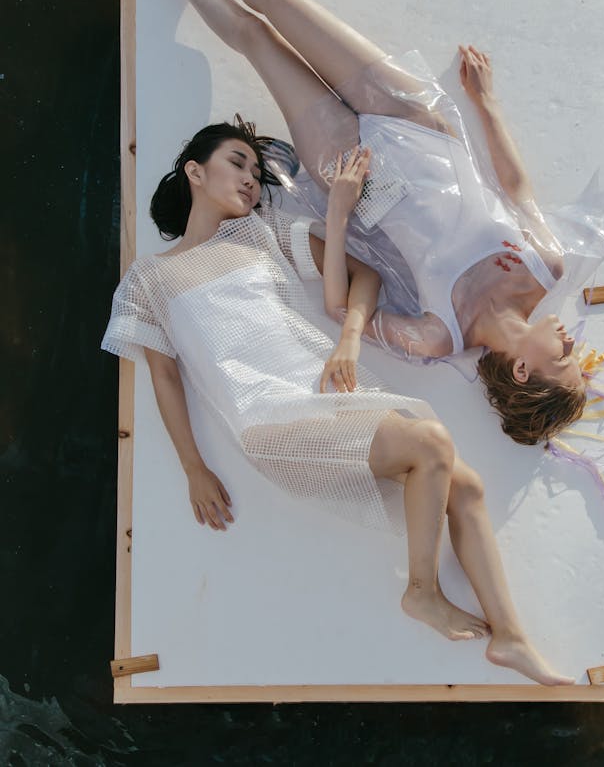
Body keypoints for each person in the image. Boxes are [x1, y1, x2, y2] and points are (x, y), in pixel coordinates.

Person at [99, 0, 589, 449]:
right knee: (280, 0)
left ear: (523, 371)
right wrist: (487, 104)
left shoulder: (438, 336)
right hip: (415, 121)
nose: (569, 341)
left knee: (257, 38)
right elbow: (516, 186)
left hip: (353, 170)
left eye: (565, 359)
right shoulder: (544, 268)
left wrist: (338, 208)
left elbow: (339, 305)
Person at [100, 114, 571, 686]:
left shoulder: (264, 235)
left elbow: (362, 273)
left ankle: (512, 639)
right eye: (236, 163)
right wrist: (193, 468)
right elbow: (165, 379)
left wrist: (348, 342)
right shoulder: (151, 278)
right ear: (194, 172)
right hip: (265, 420)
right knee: (431, 442)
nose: (251, 178)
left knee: (464, 485)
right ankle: (421, 592)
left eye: (255, 169)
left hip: (318, 397)